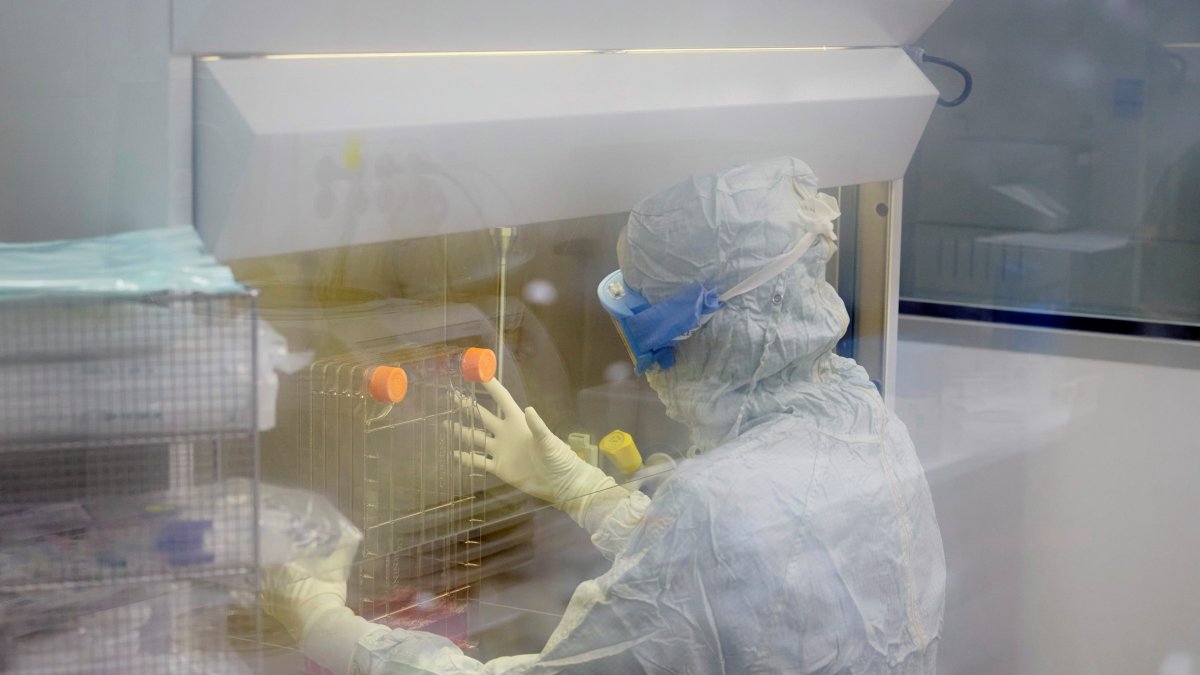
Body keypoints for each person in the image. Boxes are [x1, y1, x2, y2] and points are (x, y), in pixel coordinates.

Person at [261, 157, 946, 674]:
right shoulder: (864, 420)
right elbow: (749, 575)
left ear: (716, 325)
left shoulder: (716, 507)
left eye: (649, 325)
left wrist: (328, 625)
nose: (649, 363)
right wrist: (588, 492)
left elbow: (716, 548)